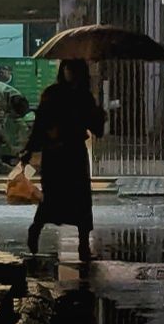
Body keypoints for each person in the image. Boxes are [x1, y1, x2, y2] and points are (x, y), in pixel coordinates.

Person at [20, 58, 105, 262]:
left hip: (73, 154)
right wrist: (30, 150)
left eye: (74, 69)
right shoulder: (53, 94)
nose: (70, 73)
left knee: (81, 200)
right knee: (52, 197)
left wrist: (99, 116)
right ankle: (36, 229)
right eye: (68, 68)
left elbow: (95, 128)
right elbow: (40, 125)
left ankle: (83, 244)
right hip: (57, 156)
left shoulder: (84, 97)